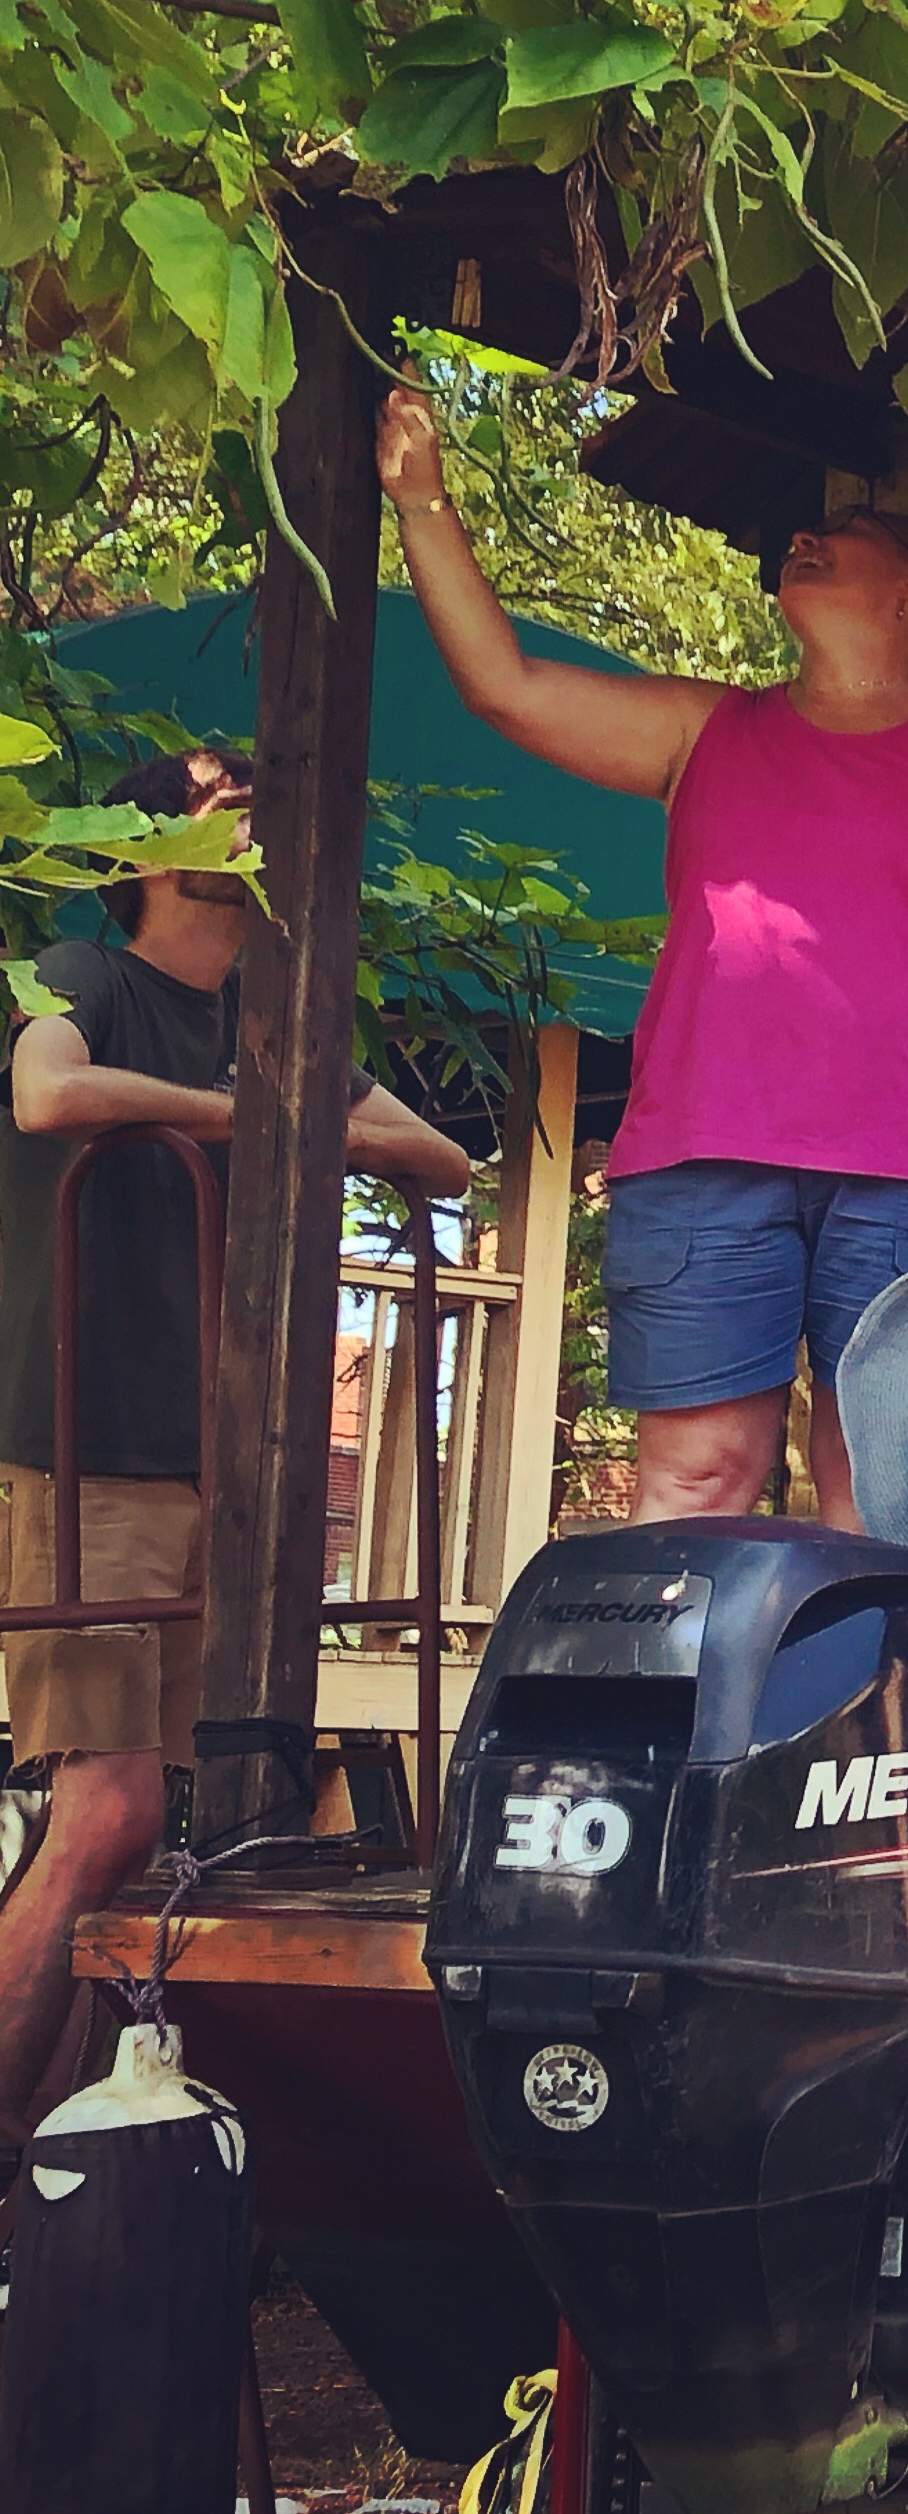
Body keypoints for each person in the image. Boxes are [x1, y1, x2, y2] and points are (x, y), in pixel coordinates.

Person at [379, 389, 908, 1526]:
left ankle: (860, 1713)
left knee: (881, 1485)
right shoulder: (705, 728)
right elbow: (503, 688)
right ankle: (681, 1711)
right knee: (699, 1474)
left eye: (839, 535)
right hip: (707, 1147)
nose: (803, 540)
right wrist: (423, 505)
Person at [0, 747, 470, 2122]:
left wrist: (293, 1111)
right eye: (224, 798)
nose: (257, 818)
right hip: (83, 1451)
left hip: (220, 1468)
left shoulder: (280, 1014)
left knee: (148, 1851)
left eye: (274, 801)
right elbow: (46, 1091)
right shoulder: (91, 972)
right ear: (150, 846)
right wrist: (245, 1124)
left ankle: (54, 2184)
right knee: (111, 1813)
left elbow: (442, 1158)